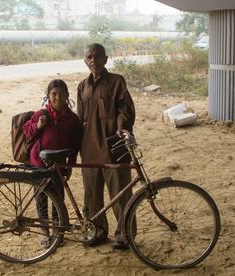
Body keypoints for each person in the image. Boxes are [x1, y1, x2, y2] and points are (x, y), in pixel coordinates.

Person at [77, 43, 136, 250]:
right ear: (85, 61)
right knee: (92, 195)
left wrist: (121, 127)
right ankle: (98, 232)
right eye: (89, 57)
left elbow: (126, 110)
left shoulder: (116, 82)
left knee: (120, 194)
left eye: (97, 56)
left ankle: (124, 236)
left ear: (106, 59)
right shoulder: (82, 86)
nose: (93, 60)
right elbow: (80, 120)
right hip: (89, 150)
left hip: (114, 148)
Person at [23, 79, 81, 246]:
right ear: (48, 96)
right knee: (41, 197)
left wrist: (70, 164)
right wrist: (38, 126)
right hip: (39, 162)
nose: (58, 97)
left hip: (59, 165)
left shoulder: (72, 119)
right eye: (54, 94)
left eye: (61, 94)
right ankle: (44, 232)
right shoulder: (42, 114)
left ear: (67, 96)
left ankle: (57, 230)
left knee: (58, 197)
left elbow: (75, 144)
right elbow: (26, 130)